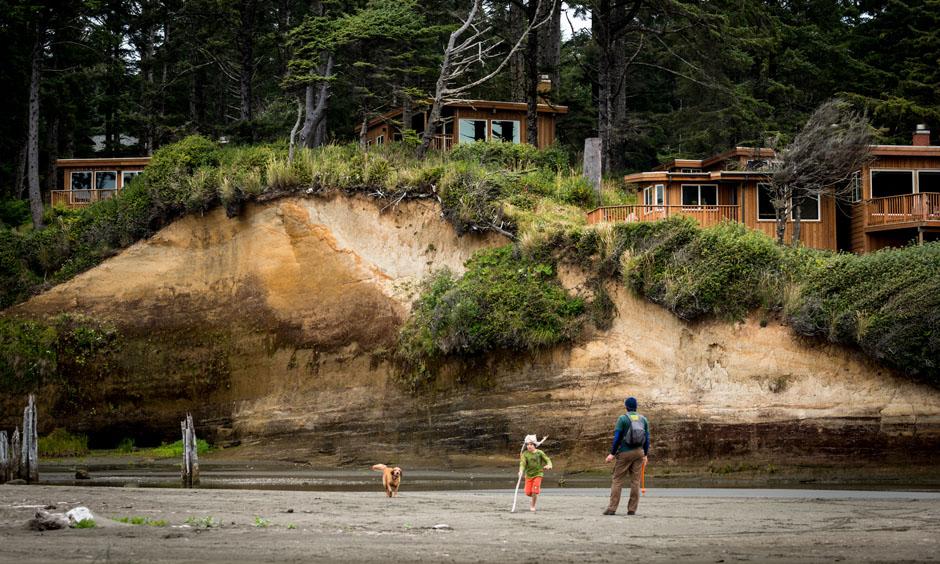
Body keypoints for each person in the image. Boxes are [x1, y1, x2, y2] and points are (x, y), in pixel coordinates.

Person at [603, 396, 650, 515]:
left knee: (617, 480)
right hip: (639, 453)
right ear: (636, 406)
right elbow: (647, 439)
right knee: (635, 482)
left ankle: (612, 508)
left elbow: (617, 438)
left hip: (624, 453)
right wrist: (645, 455)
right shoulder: (643, 419)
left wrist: (612, 454)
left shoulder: (622, 419)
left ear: (626, 406)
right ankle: (632, 510)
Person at [518, 435, 553, 512]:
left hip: (538, 474)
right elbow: (522, 463)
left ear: (534, 445)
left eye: (531, 444)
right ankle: (535, 495)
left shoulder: (539, 453)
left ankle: (533, 506)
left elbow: (547, 459)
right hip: (528, 475)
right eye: (527, 444)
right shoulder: (525, 454)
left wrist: (549, 465)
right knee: (528, 493)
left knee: (534, 491)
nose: (529, 446)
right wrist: (521, 470)